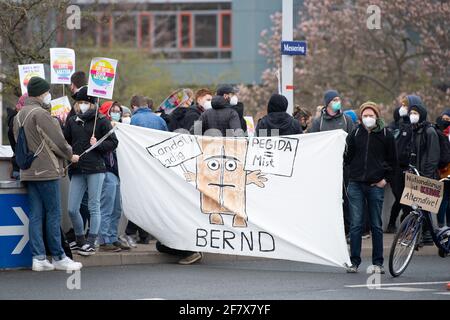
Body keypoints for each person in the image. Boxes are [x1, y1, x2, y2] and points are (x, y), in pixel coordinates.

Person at [13, 77, 82, 271]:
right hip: (45, 171)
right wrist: (70, 155)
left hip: (28, 172)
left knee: (35, 215)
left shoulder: (19, 115)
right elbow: (57, 142)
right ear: (41, 93)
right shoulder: (41, 114)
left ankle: (39, 258)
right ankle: (59, 257)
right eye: (46, 92)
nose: (48, 95)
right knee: (53, 213)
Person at [344, 101, 397, 273]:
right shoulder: (355, 133)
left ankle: (378, 263)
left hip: (376, 185)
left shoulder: (386, 135)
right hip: (356, 184)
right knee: (356, 225)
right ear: (361, 117)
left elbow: (393, 162)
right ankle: (354, 262)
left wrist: (384, 180)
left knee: (375, 225)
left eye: (371, 115)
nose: (368, 118)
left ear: (377, 116)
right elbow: (347, 158)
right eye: (365, 116)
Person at [64, 93, 119, 256]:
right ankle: (80, 239)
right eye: (79, 102)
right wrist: (69, 154)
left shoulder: (101, 120)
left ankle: (91, 241)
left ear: (92, 104)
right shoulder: (72, 121)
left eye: (85, 102)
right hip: (77, 168)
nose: (82, 105)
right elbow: (65, 141)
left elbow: (113, 142)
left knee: (94, 206)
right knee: (72, 208)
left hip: (96, 168)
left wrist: (98, 145)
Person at [399, 96, 440, 245]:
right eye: (411, 113)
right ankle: (421, 235)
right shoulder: (415, 130)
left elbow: (433, 157)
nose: (412, 116)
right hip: (416, 175)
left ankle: (426, 236)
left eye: (415, 113)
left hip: (426, 176)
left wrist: (426, 177)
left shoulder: (429, 131)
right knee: (417, 208)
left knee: (425, 209)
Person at [98, 101, 130, 252]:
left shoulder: (121, 129)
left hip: (117, 172)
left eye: (118, 111)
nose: (117, 113)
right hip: (106, 170)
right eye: (113, 111)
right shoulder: (101, 127)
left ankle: (112, 236)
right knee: (107, 206)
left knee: (117, 208)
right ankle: (103, 239)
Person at [386, 103, 412, 233]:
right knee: (402, 198)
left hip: (406, 168)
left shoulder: (408, 128)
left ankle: (395, 223)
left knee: (402, 198)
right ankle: (402, 224)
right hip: (394, 169)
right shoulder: (392, 128)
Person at [435, 110, 450, 228]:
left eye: (447, 120)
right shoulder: (440, 133)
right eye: (443, 119)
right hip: (443, 171)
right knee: (444, 199)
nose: (445, 121)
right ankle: (442, 226)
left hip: (445, 170)